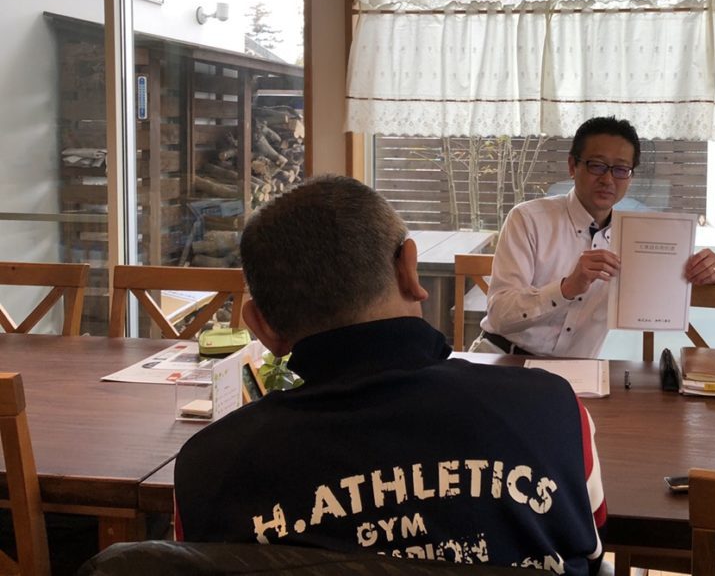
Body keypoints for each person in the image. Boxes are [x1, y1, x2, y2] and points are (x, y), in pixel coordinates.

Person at [174, 176, 606, 576]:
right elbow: (594, 546)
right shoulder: (555, 411)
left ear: (261, 326)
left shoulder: (207, 469)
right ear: (409, 270)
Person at [469, 116, 715, 358]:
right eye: (597, 166)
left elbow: (706, 270)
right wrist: (566, 288)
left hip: (575, 374)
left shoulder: (633, 235)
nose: (608, 179)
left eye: (620, 169)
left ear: (630, 176)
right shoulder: (528, 219)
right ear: (572, 166)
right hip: (504, 358)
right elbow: (500, 314)